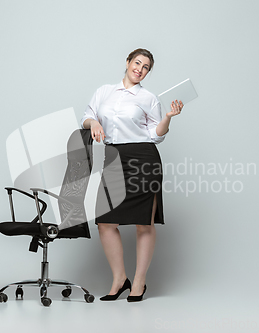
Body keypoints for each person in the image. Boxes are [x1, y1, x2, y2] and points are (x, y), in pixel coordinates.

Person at [80, 48, 183, 302]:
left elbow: (156, 135)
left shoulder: (149, 98)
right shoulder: (104, 91)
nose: (140, 69)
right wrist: (93, 123)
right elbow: (86, 116)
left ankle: (139, 282)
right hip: (113, 158)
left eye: (146, 67)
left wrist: (168, 117)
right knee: (105, 222)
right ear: (127, 62)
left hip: (143, 159)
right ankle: (119, 279)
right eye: (137, 62)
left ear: (148, 72)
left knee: (143, 223)